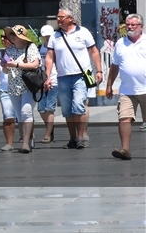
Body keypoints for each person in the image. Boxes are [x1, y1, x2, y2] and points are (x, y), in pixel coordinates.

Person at [43, 9, 102, 149]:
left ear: (70, 18)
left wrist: (99, 70)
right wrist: (47, 77)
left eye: (61, 17)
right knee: (67, 109)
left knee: (78, 105)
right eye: (57, 17)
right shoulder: (55, 36)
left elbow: (94, 51)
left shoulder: (83, 32)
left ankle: (80, 137)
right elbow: (49, 57)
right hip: (63, 77)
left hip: (81, 75)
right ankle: (72, 139)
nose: (59, 19)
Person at [106, 14, 145, 160]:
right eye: (128, 24)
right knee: (124, 118)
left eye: (133, 25)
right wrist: (109, 85)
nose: (130, 27)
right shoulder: (120, 43)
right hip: (127, 90)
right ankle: (125, 150)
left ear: (141, 27)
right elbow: (114, 66)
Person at [0, 25, 41, 154]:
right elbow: (6, 70)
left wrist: (17, 64)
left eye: (15, 35)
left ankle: (25, 143)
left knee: (26, 112)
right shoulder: (9, 50)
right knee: (19, 116)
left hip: (28, 85)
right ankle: (28, 137)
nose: (12, 37)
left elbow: (35, 64)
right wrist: (4, 65)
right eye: (11, 34)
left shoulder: (31, 47)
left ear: (22, 37)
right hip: (13, 86)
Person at [37, 24, 59, 143]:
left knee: (49, 108)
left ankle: (48, 134)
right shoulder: (39, 48)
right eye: (45, 36)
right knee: (41, 109)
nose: (47, 38)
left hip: (53, 80)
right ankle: (50, 127)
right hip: (41, 80)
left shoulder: (56, 48)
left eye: (49, 36)